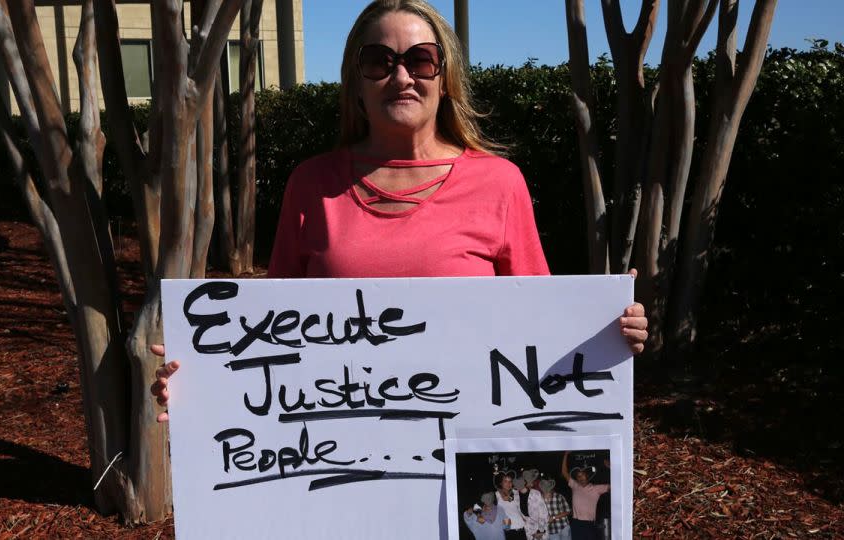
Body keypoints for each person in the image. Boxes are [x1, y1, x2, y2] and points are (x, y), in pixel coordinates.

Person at [150, 0, 648, 422]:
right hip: (334, 455)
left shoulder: (499, 183)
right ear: (357, 81)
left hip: (464, 454)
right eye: (379, 61)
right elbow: (273, 341)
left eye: (422, 59)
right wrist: (202, 386)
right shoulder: (311, 185)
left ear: (446, 77)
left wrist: (606, 330)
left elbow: (539, 323)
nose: (402, 76)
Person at [561, 452, 609, 540]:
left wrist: (611, 468)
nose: (580, 478)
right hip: (576, 524)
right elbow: (564, 472)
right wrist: (566, 455)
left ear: (587, 476)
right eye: (578, 476)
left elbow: (615, 486)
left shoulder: (596, 488)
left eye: (582, 475)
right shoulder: (575, 486)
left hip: (589, 524)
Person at [512, 470, 549, 540]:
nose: (518, 483)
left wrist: (540, 531)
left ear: (524, 482)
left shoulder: (535, 493)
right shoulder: (515, 496)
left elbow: (544, 514)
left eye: (520, 481)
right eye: (515, 482)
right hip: (528, 531)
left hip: (540, 529)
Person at [494, 472, 529, 540]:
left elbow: (526, 497)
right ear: (501, 483)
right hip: (508, 532)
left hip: (521, 529)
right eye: (505, 481)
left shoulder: (516, 493)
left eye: (510, 481)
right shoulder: (496, 495)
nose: (508, 484)